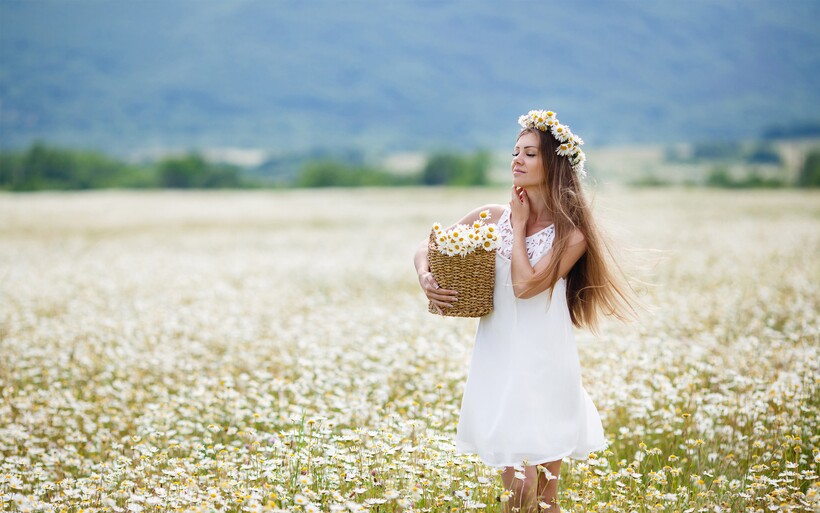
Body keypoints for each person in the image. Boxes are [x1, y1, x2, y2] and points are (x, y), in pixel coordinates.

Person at [413, 110, 636, 512]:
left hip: (547, 365)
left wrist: (517, 228)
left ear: (553, 164)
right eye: (516, 151)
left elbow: (524, 286)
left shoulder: (572, 234)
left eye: (530, 153)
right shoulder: (491, 216)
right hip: (500, 361)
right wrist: (424, 275)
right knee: (519, 491)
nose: (517, 159)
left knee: (546, 499)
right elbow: (428, 246)